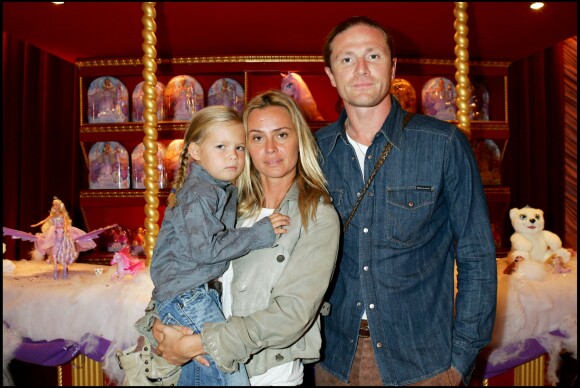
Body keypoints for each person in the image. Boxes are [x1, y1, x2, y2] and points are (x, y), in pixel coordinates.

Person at [313, 16, 498, 386]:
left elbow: (477, 255)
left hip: (423, 365)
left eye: (373, 56)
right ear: (331, 74)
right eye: (347, 59)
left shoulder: (443, 144)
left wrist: (460, 361)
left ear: (393, 67)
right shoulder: (314, 152)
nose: (361, 69)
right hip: (333, 361)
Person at [152, 90, 340, 386]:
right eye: (256, 138)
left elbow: (290, 315)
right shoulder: (228, 204)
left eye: (281, 135)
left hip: (267, 375)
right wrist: (163, 327)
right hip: (203, 363)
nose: (270, 148)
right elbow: (179, 266)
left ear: (299, 139)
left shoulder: (316, 216)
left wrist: (198, 343)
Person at [140, 105, 291, 386]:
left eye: (239, 147)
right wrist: (258, 234)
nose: (232, 156)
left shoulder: (216, 188)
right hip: (190, 296)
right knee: (229, 375)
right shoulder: (201, 192)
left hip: (190, 293)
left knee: (201, 376)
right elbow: (204, 249)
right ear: (195, 152)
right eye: (221, 146)